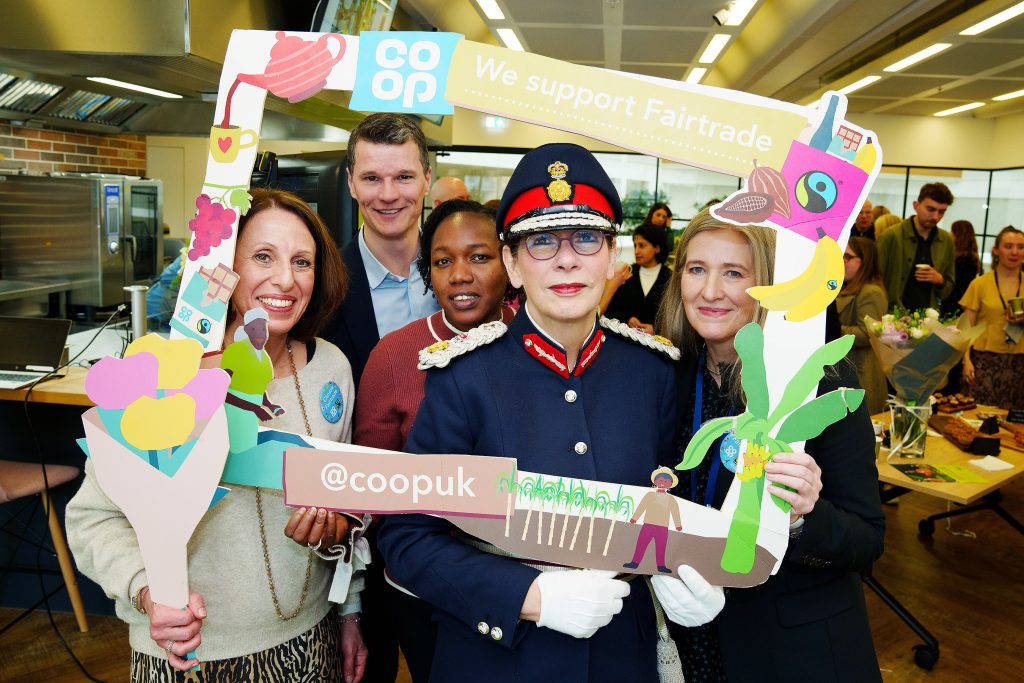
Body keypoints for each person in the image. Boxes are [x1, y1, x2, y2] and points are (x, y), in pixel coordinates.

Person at [379, 143, 724, 683]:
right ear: (512, 264)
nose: (567, 260)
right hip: (497, 661)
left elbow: (670, 502)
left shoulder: (653, 373)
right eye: (541, 241)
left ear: (613, 257)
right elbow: (406, 537)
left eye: (586, 238)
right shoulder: (462, 377)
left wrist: (689, 572)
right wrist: (529, 595)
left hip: (621, 657)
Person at [66, 188, 368, 682]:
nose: (286, 280)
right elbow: (92, 520)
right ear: (227, 266)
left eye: (302, 262)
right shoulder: (168, 374)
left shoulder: (331, 367)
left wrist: (348, 606)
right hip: (191, 651)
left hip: (311, 641)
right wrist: (147, 591)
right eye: (263, 257)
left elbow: (351, 500)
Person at [657, 209, 885, 682]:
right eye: (696, 269)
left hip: (788, 650)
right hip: (689, 639)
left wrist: (801, 518)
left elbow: (867, 540)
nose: (710, 291)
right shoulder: (667, 377)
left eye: (735, 273)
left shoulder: (820, 385)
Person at [354, 199, 515, 682]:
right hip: (421, 588)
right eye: (443, 261)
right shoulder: (395, 355)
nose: (460, 274)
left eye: (479, 257)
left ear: (510, 262)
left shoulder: (538, 344)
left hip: (525, 581)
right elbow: (370, 482)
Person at [322, 113, 440, 390]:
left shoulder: (460, 274)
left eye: (403, 177)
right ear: (351, 184)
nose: (388, 195)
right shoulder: (322, 286)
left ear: (427, 179)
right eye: (372, 178)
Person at [961, 226, 1024, 409]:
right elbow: (966, 327)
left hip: (1020, 363)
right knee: (979, 418)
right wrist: (966, 360)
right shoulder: (980, 284)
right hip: (984, 362)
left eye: (1020, 247)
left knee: (1014, 425)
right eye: (1008, 246)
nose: (1014, 252)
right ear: (996, 250)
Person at [876, 182, 955, 311]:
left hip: (929, 319)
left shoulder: (946, 241)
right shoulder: (890, 236)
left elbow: (949, 287)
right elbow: (874, 280)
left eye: (942, 212)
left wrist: (940, 280)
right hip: (892, 317)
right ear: (916, 206)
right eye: (930, 209)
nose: (936, 217)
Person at [838, 236, 889, 415]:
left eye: (848, 257)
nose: (842, 261)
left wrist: (833, 332)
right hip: (850, 368)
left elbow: (869, 334)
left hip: (862, 372)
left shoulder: (871, 291)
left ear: (864, 261)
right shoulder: (848, 287)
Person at [600, 222, 672, 333]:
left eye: (642, 246)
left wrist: (656, 329)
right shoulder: (626, 273)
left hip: (660, 344)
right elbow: (610, 309)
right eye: (635, 246)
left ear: (657, 248)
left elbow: (675, 316)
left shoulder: (671, 278)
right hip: (626, 340)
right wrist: (627, 318)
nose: (636, 251)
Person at [942, 220, 983, 319]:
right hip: (956, 303)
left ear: (958, 235)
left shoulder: (964, 260)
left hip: (954, 304)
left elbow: (956, 286)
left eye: (951, 231)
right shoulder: (969, 257)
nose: (949, 234)